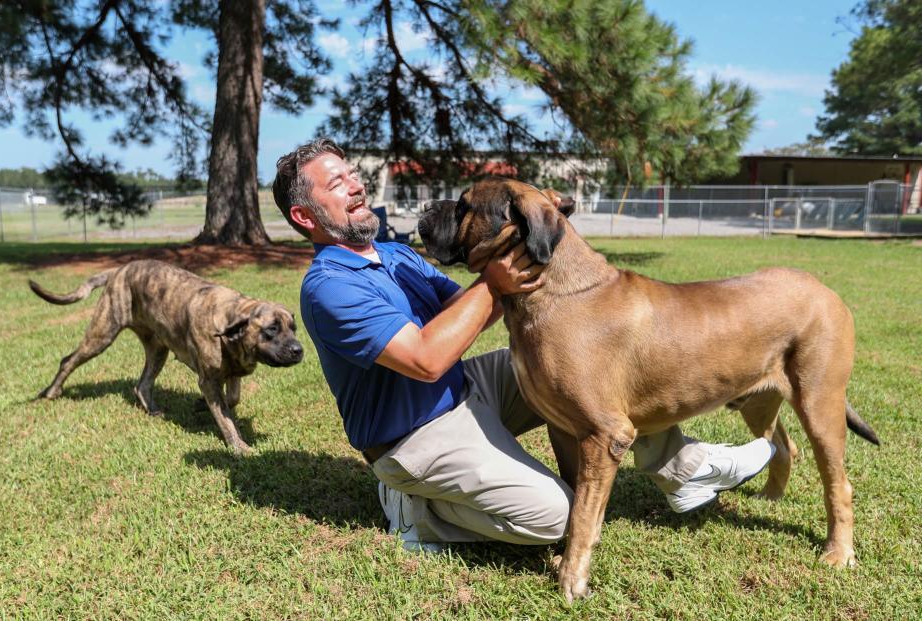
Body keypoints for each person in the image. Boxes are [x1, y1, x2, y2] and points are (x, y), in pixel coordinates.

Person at [272, 138, 775, 552]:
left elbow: (468, 313)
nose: (356, 185)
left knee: (579, 373)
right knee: (558, 517)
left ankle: (683, 470)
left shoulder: (395, 255)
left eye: (352, 173)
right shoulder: (331, 285)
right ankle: (419, 511)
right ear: (305, 215)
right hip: (413, 435)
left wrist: (530, 232)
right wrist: (493, 283)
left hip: (465, 390)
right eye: (336, 183)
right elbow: (425, 360)